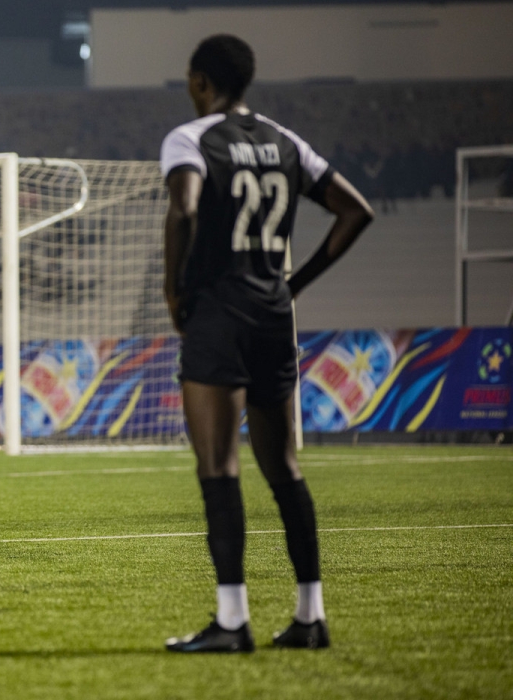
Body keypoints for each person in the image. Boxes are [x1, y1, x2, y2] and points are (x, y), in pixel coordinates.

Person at [160, 35, 373, 652]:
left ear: (201, 81)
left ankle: (232, 621)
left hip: (219, 313)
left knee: (219, 466)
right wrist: (292, 284)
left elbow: (184, 208)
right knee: (284, 468)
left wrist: (176, 294)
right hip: (274, 315)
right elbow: (355, 210)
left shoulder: (190, 138)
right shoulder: (285, 141)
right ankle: (311, 615)